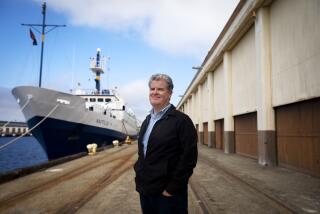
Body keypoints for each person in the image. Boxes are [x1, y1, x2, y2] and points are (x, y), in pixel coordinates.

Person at [134, 73, 198, 214]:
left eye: (160, 89)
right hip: (145, 190)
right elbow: (142, 153)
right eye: (152, 89)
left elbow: (189, 158)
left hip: (168, 194)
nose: (155, 92)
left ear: (169, 94)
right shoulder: (147, 121)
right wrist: (139, 175)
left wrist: (171, 188)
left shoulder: (181, 121)